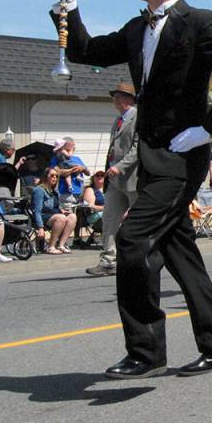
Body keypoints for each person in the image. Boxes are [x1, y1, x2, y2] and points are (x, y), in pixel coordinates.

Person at [51, 0, 212, 378]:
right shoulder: (135, 28)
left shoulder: (198, 22)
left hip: (182, 156)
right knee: (179, 251)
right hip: (151, 155)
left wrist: (208, 128)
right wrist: (68, 2)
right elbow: (84, 49)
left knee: (132, 241)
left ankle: (145, 352)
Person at [87, 81, 140, 277]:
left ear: (128, 98)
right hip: (114, 180)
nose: (115, 99)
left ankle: (138, 258)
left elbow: (138, 148)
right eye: (114, 96)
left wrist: (120, 166)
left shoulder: (137, 118)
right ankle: (108, 261)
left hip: (132, 178)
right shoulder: (118, 120)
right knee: (109, 220)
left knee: (137, 221)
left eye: (118, 96)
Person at [31, 168, 77, 254]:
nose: (55, 178)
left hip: (53, 215)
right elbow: (37, 211)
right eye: (52, 176)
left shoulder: (54, 191)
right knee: (61, 218)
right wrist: (40, 227)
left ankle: (61, 245)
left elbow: (54, 206)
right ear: (45, 177)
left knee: (72, 216)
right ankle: (51, 247)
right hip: (42, 216)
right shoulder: (39, 190)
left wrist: (61, 210)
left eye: (56, 176)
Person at [53, 137, 89, 207]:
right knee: (70, 214)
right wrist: (72, 170)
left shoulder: (77, 158)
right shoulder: (56, 159)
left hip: (79, 192)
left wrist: (82, 168)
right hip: (66, 193)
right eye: (69, 148)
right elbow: (58, 172)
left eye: (73, 147)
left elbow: (88, 173)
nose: (73, 149)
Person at [80, 170, 107, 241]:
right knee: (112, 214)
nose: (100, 177)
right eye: (97, 175)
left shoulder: (108, 190)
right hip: (93, 216)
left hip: (106, 214)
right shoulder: (90, 190)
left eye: (102, 175)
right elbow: (90, 206)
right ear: (93, 178)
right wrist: (106, 208)